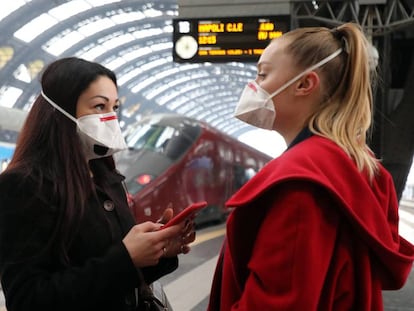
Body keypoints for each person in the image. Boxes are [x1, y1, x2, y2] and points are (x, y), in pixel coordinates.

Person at [208, 22, 414, 310]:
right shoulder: (354, 168)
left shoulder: (300, 185)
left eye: (264, 74)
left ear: (305, 84)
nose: (254, 85)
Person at [0, 57, 196, 311]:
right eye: (99, 106)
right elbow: (28, 300)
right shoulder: (24, 186)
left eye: (114, 107)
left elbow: (120, 281)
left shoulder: (106, 178)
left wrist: (158, 251)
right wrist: (126, 258)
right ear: (62, 111)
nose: (110, 117)